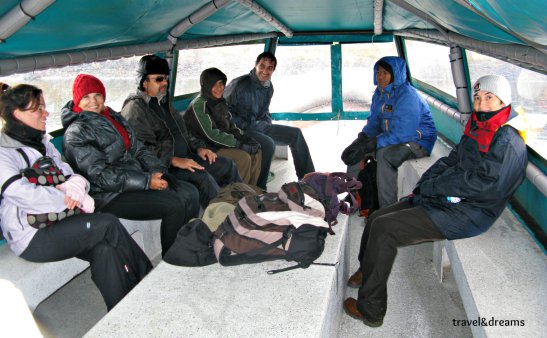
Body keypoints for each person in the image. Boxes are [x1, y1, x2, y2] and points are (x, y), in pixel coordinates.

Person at [343, 75, 527, 327]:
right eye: (477, 97)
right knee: (376, 217)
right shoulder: (478, 127)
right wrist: (428, 183)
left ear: (503, 102)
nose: (481, 104)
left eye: (489, 98)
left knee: (385, 230)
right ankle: (368, 270)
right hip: (444, 197)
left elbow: (488, 188)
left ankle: (371, 310)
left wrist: (436, 188)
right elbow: (451, 160)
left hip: (469, 211)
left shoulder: (508, 142)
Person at [0, 84, 152, 310]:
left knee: (105, 251)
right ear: (17, 114)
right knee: (107, 223)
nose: (46, 113)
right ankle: (149, 282)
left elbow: (70, 173)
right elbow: (23, 195)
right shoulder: (4, 153)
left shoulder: (43, 142)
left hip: (62, 218)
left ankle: (122, 311)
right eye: (38, 109)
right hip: (33, 236)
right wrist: (67, 196)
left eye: (44, 107)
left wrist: (75, 188)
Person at [62, 74, 199, 256]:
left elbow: (138, 149)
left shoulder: (112, 117)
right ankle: (172, 259)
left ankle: (186, 245)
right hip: (108, 194)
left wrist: (158, 171)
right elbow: (101, 176)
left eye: (97, 95)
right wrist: (146, 181)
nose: (93, 101)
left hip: (133, 180)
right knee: (175, 204)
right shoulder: (76, 132)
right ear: (77, 100)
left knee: (190, 192)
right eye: (86, 97)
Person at [121, 55, 241, 208]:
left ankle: (242, 207)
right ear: (144, 82)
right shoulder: (135, 110)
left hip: (187, 156)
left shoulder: (163, 101)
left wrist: (199, 147)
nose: (164, 83)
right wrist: (174, 160)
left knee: (227, 165)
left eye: (165, 78)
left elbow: (184, 133)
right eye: (159, 79)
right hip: (165, 167)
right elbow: (142, 150)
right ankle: (227, 220)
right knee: (202, 177)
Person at [341, 56, 437, 208]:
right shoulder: (379, 94)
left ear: (396, 74)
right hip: (393, 137)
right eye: (378, 72)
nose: (380, 76)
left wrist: (374, 143)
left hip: (417, 141)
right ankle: (354, 197)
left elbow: (404, 133)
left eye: (385, 73)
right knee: (356, 153)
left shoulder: (407, 95)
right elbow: (374, 122)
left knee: (385, 155)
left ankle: (386, 208)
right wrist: (361, 140)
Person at [224, 51, 315, 189]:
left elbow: (265, 111)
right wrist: (250, 125)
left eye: (269, 68)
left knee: (295, 134)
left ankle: (309, 180)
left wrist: (266, 122)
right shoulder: (240, 84)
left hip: (259, 127)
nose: (265, 71)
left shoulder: (268, 87)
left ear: (273, 70)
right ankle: (260, 189)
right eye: (262, 66)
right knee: (268, 144)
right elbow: (224, 112)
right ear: (256, 65)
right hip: (239, 130)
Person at [184, 67, 263, 186]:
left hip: (220, 144)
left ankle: (251, 192)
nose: (219, 88)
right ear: (206, 86)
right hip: (206, 148)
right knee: (243, 157)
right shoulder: (199, 105)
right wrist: (238, 144)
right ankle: (237, 194)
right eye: (214, 85)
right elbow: (212, 135)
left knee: (257, 152)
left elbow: (230, 126)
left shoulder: (220, 102)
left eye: (221, 84)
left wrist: (244, 138)